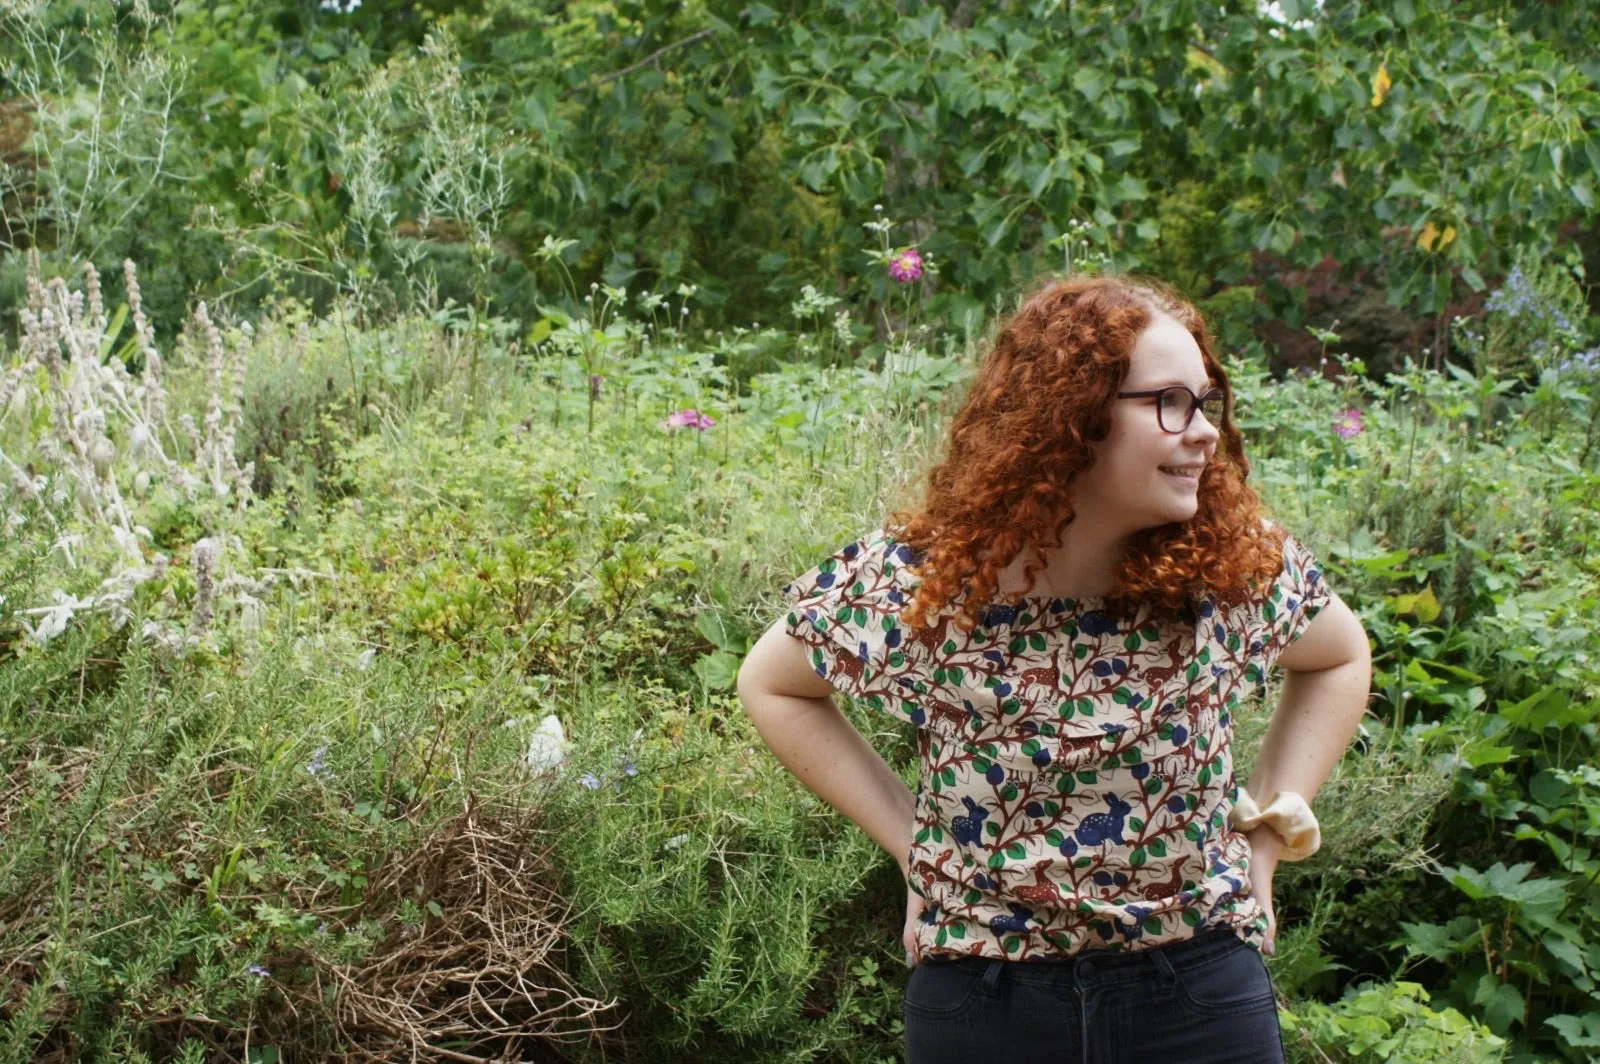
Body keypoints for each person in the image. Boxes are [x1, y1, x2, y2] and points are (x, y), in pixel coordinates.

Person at [734, 275, 1372, 1063]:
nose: (1204, 431)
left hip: (1200, 994)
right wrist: (913, 847)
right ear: (1074, 417)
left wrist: (1271, 833)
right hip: (985, 999)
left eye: (1207, 402)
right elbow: (773, 683)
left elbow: (1339, 657)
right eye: (1171, 402)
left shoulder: (1228, 566)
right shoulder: (927, 582)